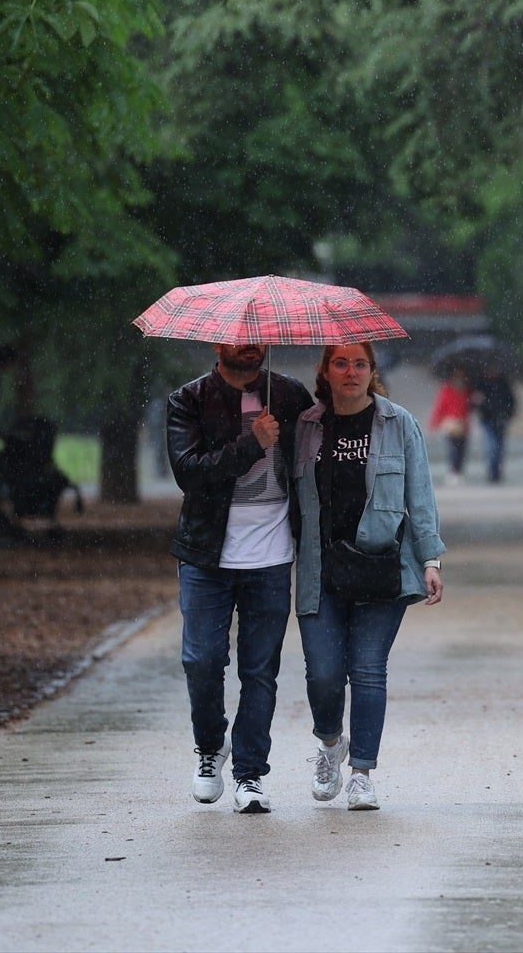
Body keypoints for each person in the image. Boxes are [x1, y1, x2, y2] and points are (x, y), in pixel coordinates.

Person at [293, 343, 446, 810]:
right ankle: (330, 742)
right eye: (340, 363)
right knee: (322, 675)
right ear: (326, 370)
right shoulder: (306, 426)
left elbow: (419, 494)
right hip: (321, 569)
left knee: (367, 671)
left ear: (372, 371)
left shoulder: (399, 424)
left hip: (382, 568)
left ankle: (362, 772)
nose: (351, 372)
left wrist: (431, 559)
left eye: (360, 363)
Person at [166, 344, 314, 813]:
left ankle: (250, 774)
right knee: (202, 661)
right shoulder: (188, 400)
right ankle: (211, 750)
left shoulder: (290, 395)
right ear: (218, 343)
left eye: (257, 336)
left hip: (270, 558)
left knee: (259, 671)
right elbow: (188, 473)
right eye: (238, 336)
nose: (248, 345)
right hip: (207, 557)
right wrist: (253, 442)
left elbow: (313, 464)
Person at [428, 371, 473, 484]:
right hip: (450, 424)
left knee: (462, 449)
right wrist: (434, 422)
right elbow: (440, 406)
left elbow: (469, 406)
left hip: (463, 425)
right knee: (453, 449)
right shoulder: (446, 390)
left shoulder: (467, 390)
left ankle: (459, 470)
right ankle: (454, 471)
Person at [477, 367, 517, 483]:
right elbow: (475, 403)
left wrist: (507, 414)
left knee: (500, 447)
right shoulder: (481, 384)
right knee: (492, 446)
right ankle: (493, 472)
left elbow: (511, 401)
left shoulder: (503, 383)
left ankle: (497, 471)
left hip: (501, 419)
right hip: (487, 419)